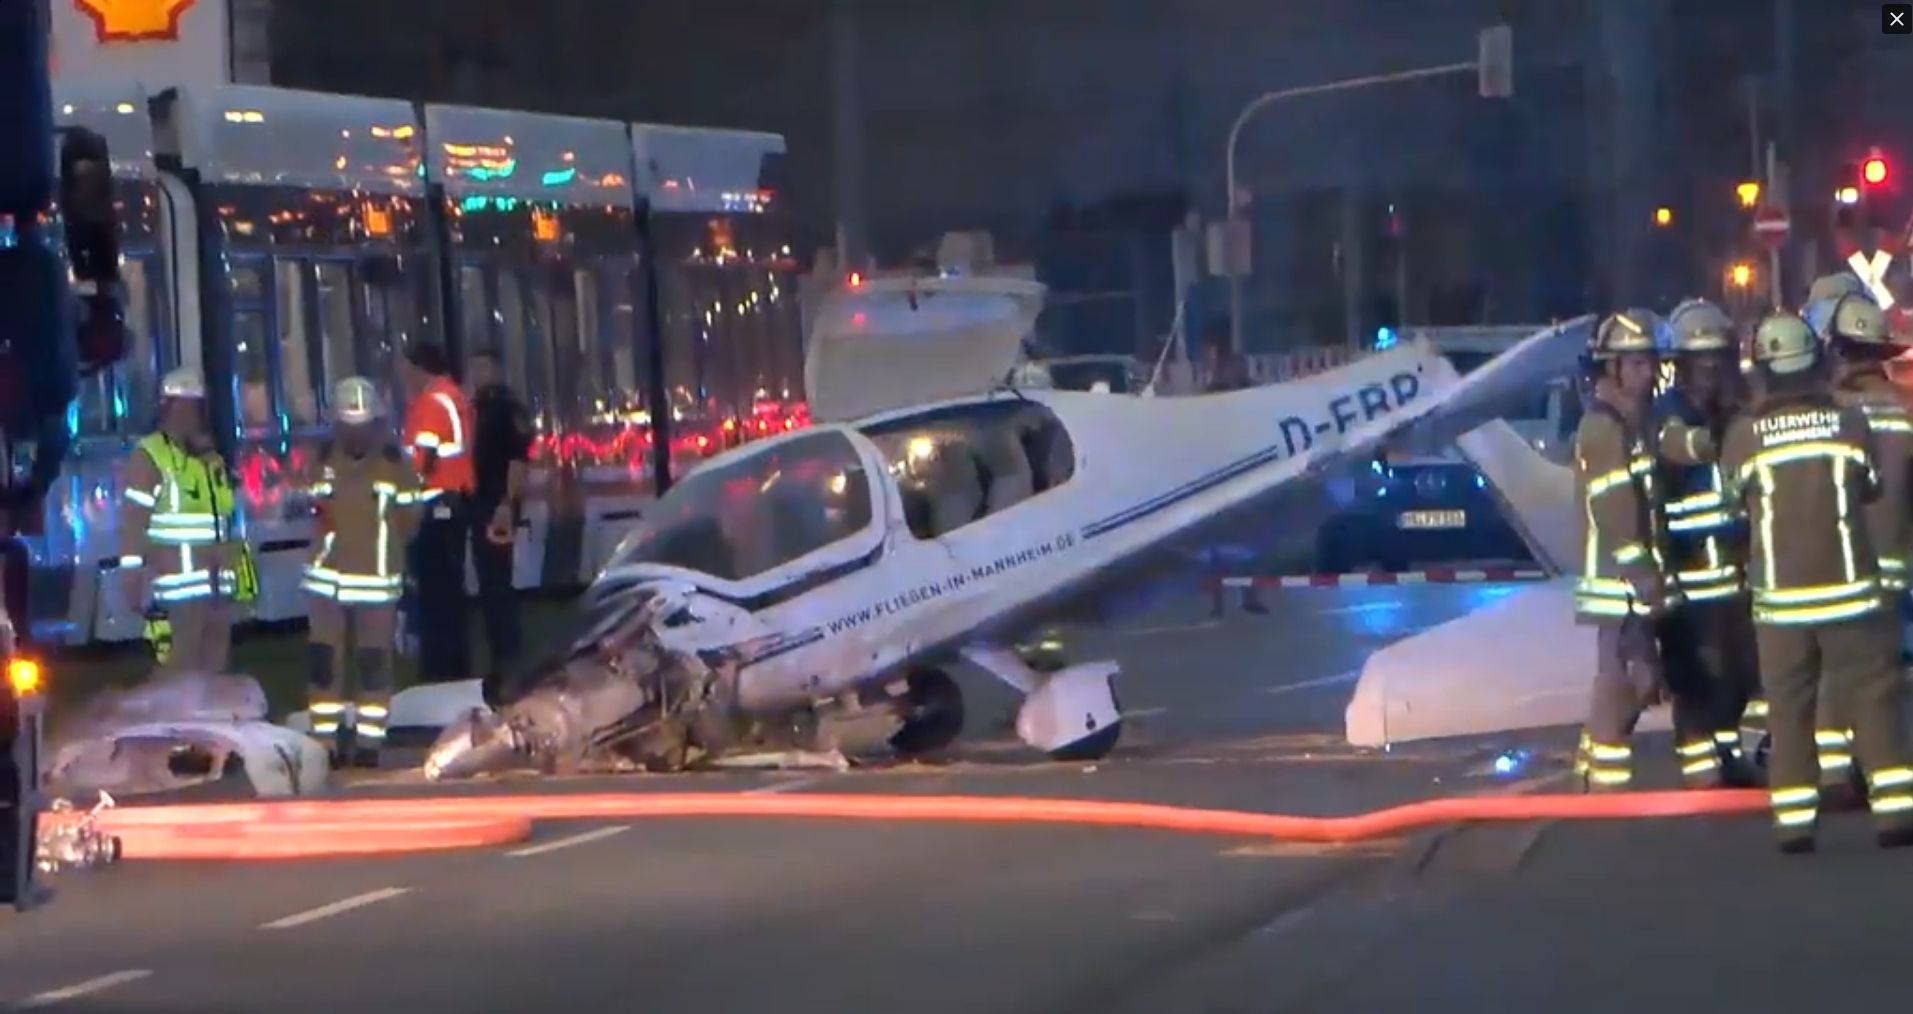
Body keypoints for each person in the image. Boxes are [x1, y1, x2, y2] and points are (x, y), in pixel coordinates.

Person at [1719, 311, 1913, 852]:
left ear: (1762, 368)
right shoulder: (1851, 422)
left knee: (1789, 709)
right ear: (1817, 361)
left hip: (1781, 604)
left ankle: (1795, 824)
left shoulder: (1743, 434)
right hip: (1852, 591)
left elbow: (1733, 502)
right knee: (1874, 699)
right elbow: (1870, 487)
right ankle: (1895, 816)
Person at [1571, 309, 1715, 792]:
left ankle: (1592, 774)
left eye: (1651, 363)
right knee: (1630, 679)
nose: (1648, 374)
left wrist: (1707, 443)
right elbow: (1615, 507)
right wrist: (1642, 572)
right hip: (1619, 582)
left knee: (1626, 674)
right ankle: (1604, 783)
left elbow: (1668, 446)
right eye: (1635, 364)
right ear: (1611, 368)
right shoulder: (1603, 427)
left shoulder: (1637, 420)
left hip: (1633, 580)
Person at [1654, 299, 1760, 788]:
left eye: (1719, 358)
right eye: (1703, 361)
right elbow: (1679, 445)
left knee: (1741, 671)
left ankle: (1731, 753)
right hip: (1690, 569)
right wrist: (1721, 437)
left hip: (1736, 567)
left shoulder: (1736, 410)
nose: (1712, 370)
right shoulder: (1666, 412)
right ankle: (1701, 771)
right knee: (1697, 672)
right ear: (1681, 364)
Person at [300, 377, 421, 766]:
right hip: (327, 584)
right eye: (349, 426)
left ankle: (369, 745)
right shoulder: (320, 461)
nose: (356, 434)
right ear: (336, 424)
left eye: (363, 426)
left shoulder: (394, 464)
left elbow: (410, 518)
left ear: (375, 425)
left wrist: (383, 551)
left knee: (373, 665)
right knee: (324, 664)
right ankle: (325, 743)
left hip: (377, 585)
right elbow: (309, 510)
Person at [117, 368, 244, 675]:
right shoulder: (149, 457)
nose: (191, 415)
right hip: (177, 590)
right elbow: (133, 523)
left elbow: (226, 518)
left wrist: (238, 572)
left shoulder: (210, 457)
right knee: (179, 672)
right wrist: (132, 576)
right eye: (184, 406)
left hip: (217, 587)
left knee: (214, 670)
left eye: (196, 406)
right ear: (167, 407)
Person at [398, 342, 476, 684]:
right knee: (450, 591)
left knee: (434, 592)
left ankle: (438, 669)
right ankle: (455, 665)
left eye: (404, 366)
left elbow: (423, 460)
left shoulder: (430, 402)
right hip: (454, 502)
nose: (400, 374)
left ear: (418, 367)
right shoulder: (453, 396)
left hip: (435, 506)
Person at [464, 349, 532, 703]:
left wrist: (507, 504)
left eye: (483, 366)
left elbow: (519, 460)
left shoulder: (507, 410)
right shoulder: (479, 407)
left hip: (497, 506)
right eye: (474, 366)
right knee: (490, 588)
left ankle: (510, 664)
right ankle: (500, 662)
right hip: (481, 504)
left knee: (498, 586)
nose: (477, 373)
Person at [1203, 348, 1270, 617]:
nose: (1237, 372)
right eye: (1233, 367)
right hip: (1218, 474)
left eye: (1240, 367)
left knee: (1253, 543)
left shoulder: (1253, 392)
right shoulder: (1210, 395)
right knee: (1215, 548)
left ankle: (1250, 596)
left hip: (1249, 472)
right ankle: (1216, 602)